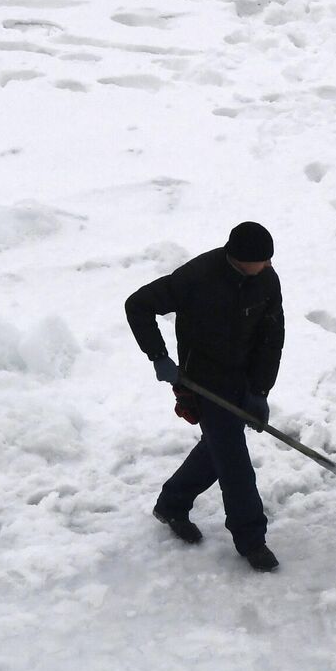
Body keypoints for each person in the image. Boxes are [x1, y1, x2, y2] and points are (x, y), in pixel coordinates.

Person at [124, 222, 284, 572]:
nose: (269, 266)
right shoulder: (197, 277)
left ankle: (172, 504)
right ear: (240, 259)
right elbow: (138, 304)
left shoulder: (266, 280)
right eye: (262, 261)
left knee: (218, 447)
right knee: (233, 460)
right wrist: (158, 356)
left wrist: (259, 391)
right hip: (204, 380)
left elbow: (272, 338)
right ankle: (251, 540)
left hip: (242, 378)